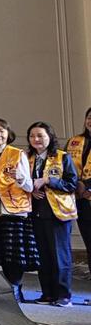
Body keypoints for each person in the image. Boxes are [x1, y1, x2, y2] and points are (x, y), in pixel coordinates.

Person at [0, 118, 36, 301]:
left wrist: (19, 177)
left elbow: (29, 186)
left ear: (8, 133)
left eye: (1, 130)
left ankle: (15, 288)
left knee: (13, 254)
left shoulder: (17, 154)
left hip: (14, 210)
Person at [26, 121, 78, 307]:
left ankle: (64, 295)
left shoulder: (63, 157)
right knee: (43, 256)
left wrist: (48, 180)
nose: (36, 139)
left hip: (58, 213)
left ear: (50, 137)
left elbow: (71, 184)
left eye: (40, 135)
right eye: (32, 136)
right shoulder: (27, 158)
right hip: (36, 213)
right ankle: (47, 293)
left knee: (60, 256)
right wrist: (31, 190)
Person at [65, 107, 91, 297]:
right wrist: (76, 185)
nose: (90, 121)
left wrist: (87, 186)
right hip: (80, 199)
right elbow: (64, 167)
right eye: (89, 117)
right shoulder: (75, 141)